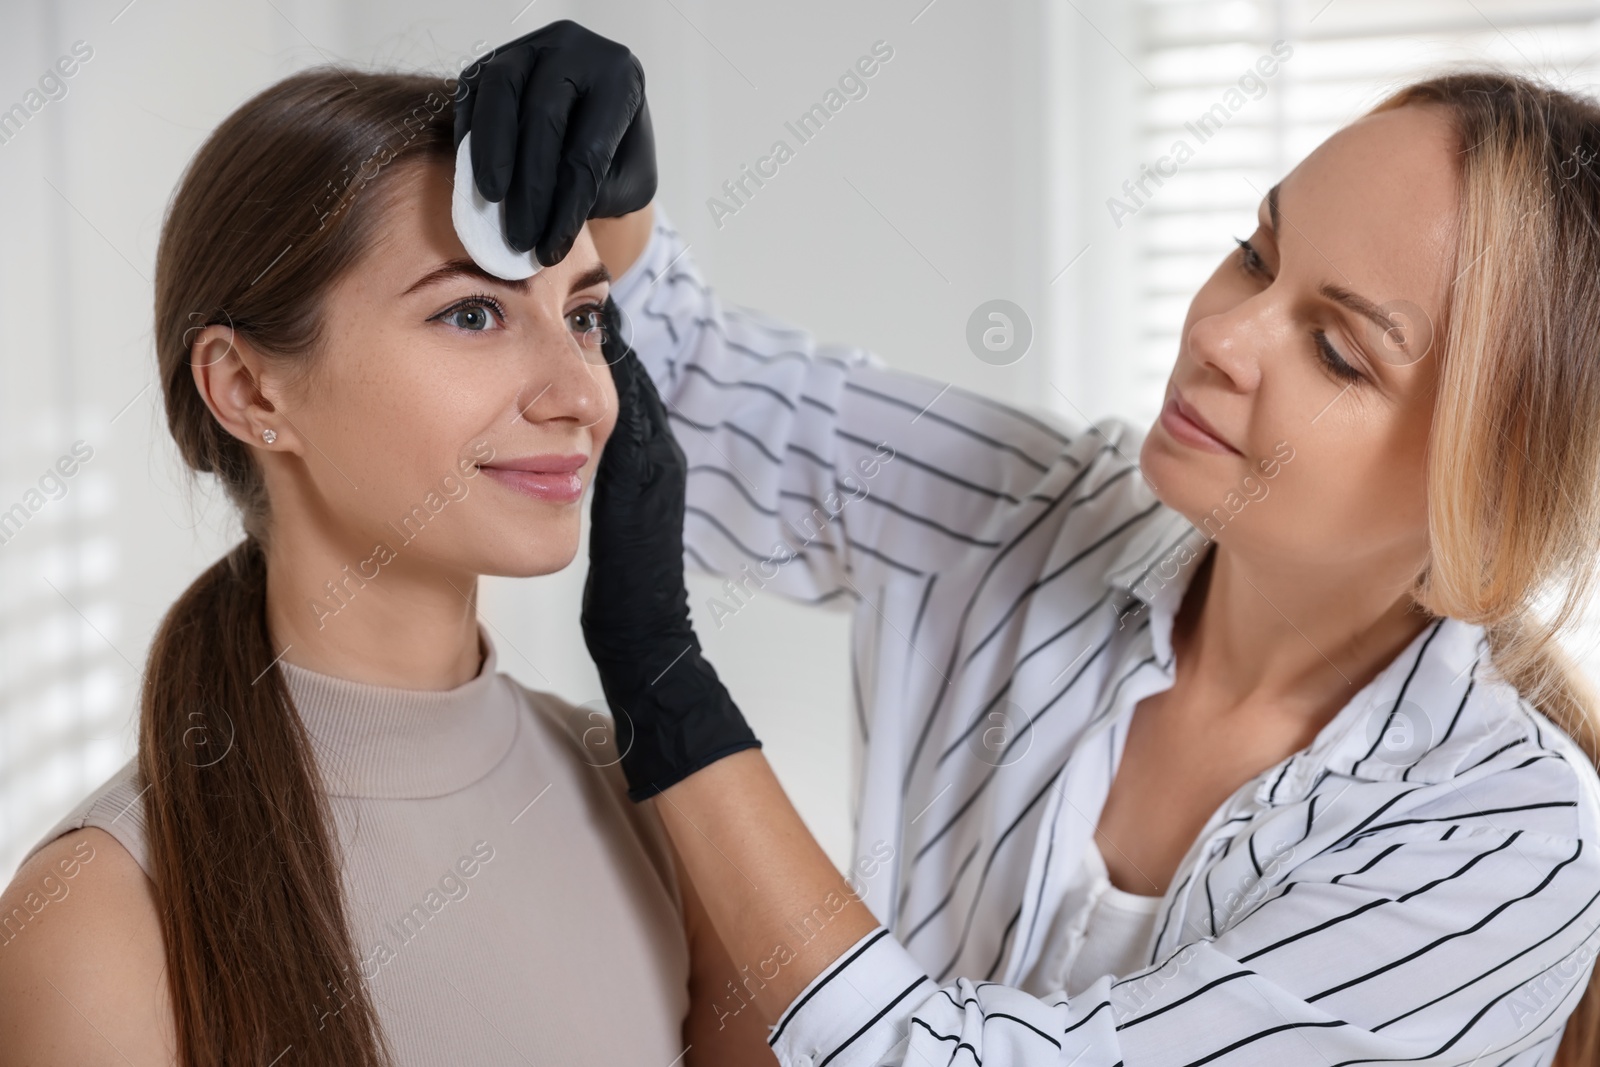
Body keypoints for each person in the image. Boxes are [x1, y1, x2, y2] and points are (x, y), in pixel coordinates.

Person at [461, 24, 1600, 1067]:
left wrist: (672, 695)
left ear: (1490, 498)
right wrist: (607, 199)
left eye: (1340, 352)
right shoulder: (1041, 512)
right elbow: (684, 399)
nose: (1219, 335)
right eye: (1256, 255)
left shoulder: (1506, 840)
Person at [0, 64, 772, 1066]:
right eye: (472, 314)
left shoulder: (660, 801)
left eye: (581, 317)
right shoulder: (97, 917)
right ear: (247, 389)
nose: (579, 394)